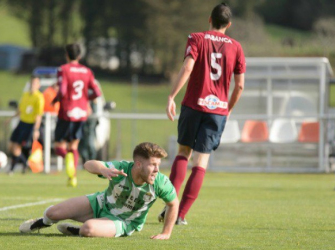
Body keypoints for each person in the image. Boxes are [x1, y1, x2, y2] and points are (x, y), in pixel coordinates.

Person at [159, 3, 245, 225]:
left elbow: (188, 68)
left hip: (193, 105)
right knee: (201, 162)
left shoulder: (196, 38)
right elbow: (240, 86)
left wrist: (171, 96)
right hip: (217, 111)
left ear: (209, 19)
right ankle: (181, 215)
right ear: (229, 24)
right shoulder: (236, 47)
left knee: (183, 153)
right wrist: (228, 108)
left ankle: (170, 206)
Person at [19, 142, 178, 239]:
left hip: (124, 221)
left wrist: (166, 233)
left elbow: (173, 204)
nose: (157, 169)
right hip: (100, 203)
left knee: (89, 229)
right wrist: (102, 170)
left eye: (158, 164)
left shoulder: (160, 183)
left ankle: (79, 231)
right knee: (53, 213)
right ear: (137, 164)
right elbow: (89, 164)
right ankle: (42, 222)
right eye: (153, 164)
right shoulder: (121, 168)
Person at [53, 43, 101, 187]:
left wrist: (55, 100)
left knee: (58, 146)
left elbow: (62, 91)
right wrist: (86, 99)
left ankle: (67, 160)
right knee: (73, 146)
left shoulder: (63, 69)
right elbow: (97, 93)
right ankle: (72, 177)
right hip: (81, 113)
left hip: (66, 111)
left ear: (66, 54)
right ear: (79, 56)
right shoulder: (87, 71)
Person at [8, 76, 44, 175]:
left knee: (16, 148)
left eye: (35, 83)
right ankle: (25, 164)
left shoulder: (39, 97)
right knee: (11, 146)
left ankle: (12, 169)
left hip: (29, 125)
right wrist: (10, 119)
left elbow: (38, 115)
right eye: (32, 83)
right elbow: (20, 109)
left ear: (38, 85)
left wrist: (36, 129)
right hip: (21, 123)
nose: (33, 85)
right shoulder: (25, 95)